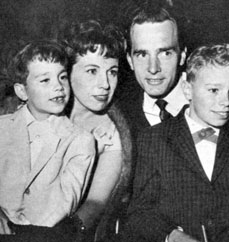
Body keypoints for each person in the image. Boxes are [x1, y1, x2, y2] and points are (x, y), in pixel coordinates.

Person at [120, 43, 229, 242]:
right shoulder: (153, 140)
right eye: (213, 90)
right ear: (187, 89)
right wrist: (172, 236)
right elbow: (139, 213)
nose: (226, 102)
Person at [0, 40, 95, 242]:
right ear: (22, 91)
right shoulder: (2, 128)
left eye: (62, 77)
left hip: (44, 236)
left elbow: (60, 207)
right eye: (45, 80)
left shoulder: (80, 141)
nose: (58, 87)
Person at [62, 20, 132, 241]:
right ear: (66, 72)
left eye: (112, 72)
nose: (105, 84)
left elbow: (95, 205)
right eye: (92, 71)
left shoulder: (112, 134)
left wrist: (56, 234)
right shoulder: (36, 111)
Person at [117, 2, 189, 140]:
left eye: (165, 53)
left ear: (182, 56)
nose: (153, 68)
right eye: (142, 55)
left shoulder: (213, 102)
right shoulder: (120, 115)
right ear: (130, 60)